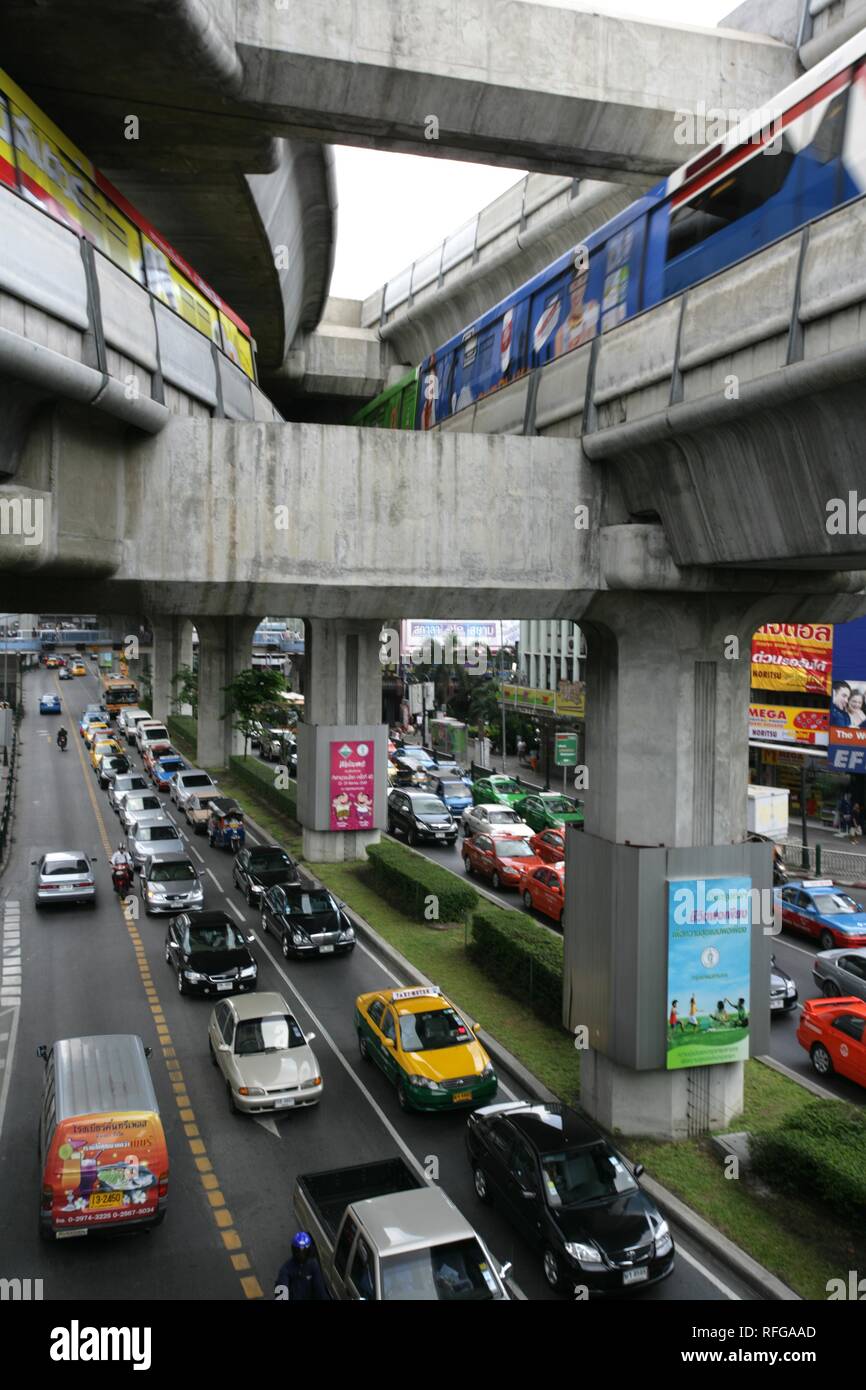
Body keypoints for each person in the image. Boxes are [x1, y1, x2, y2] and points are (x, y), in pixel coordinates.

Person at [274, 1231, 329, 1301]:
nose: (301, 1256)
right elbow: (281, 1293)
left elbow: (320, 1290)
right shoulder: (286, 1270)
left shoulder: (313, 1266)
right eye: (298, 1252)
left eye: (304, 1252)